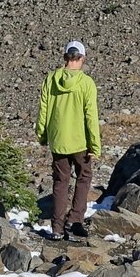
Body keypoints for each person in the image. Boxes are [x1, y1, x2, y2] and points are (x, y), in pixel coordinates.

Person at [36, 40, 103, 238]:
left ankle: (56, 228)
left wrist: (42, 135)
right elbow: (91, 116)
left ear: (65, 57)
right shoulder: (86, 83)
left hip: (58, 140)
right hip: (80, 141)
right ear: (82, 58)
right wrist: (95, 145)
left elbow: (43, 110)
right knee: (84, 178)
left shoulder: (50, 79)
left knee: (60, 182)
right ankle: (75, 220)